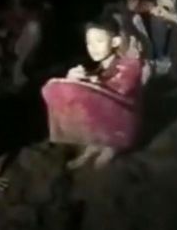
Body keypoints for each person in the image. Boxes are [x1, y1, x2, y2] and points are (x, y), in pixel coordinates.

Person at [42, 14, 143, 169]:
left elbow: (120, 90)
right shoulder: (99, 67)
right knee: (66, 88)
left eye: (99, 41)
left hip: (123, 126)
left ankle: (112, 146)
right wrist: (76, 78)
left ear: (115, 41)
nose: (93, 47)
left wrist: (93, 83)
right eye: (89, 43)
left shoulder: (130, 64)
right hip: (108, 123)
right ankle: (94, 145)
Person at [0, 0, 43, 88]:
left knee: (33, 27)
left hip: (25, 54)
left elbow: (34, 34)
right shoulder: (1, 12)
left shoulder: (32, 11)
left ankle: (18, 68)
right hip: (5, 50)